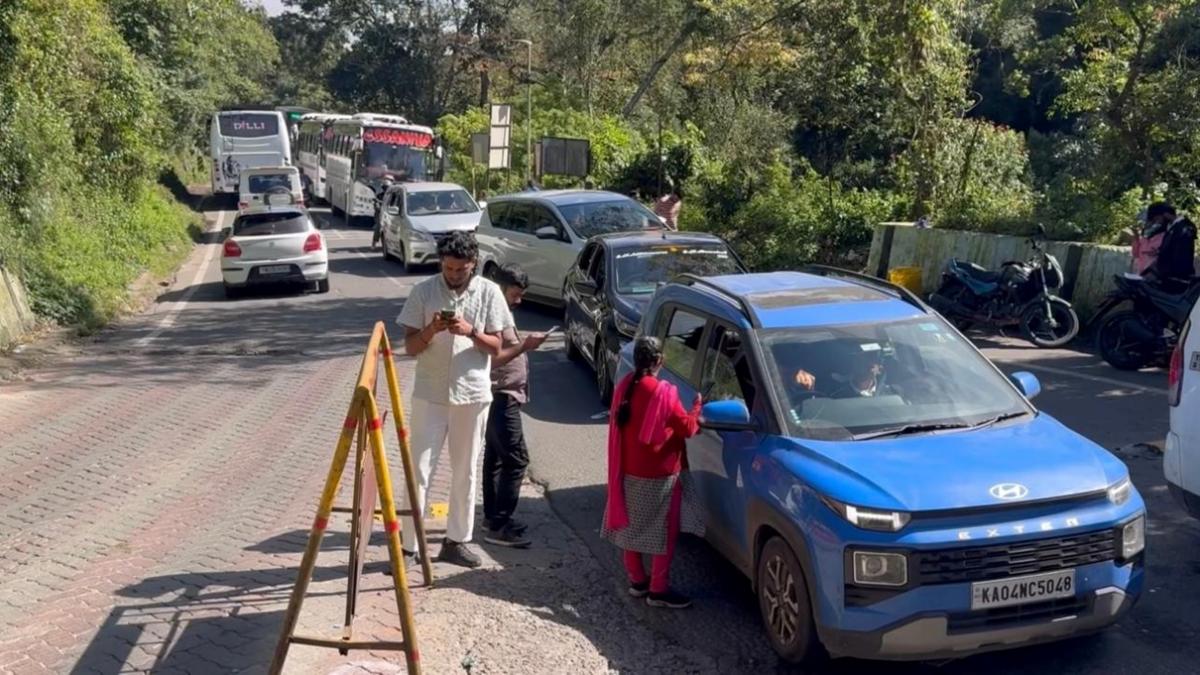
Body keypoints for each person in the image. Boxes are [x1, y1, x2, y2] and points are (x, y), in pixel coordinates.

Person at [397, 231, 510, 568]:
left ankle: (457, 540)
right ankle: (408, 546)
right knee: (418, 469)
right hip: (430, 393)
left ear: (473, 265)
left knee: (466, 471)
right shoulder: (424, 291)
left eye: (461, 270)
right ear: (441, 263)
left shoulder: (489, 292)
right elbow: (410, 347)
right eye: (448, 268)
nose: (454, 275)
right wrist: (431, 329)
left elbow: (498, 347)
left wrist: (471, 331)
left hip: (472, 394)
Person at [601, 336, 704, 609]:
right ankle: (658, 589)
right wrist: (697, 408)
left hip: (628, 470)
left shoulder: (625, 386)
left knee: (631, 527)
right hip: (660, 476)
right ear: (659, 360)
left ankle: (637, 580)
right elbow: (688, 428)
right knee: (664, 532)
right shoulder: (663, 392)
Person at [482, 263, 548, 548]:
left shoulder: (500, 312)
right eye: (515, 294)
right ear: (500, 288)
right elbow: (492, 359)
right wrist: (525, 346)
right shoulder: (490, 315)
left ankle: (493, 517)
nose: (519, 300)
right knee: (516, 460)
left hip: (505, 396)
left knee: (496, 458)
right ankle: (499, 525)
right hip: (500, 397)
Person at [794, 347, 890, 399]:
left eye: (871, 357)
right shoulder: (831, 392)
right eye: (860, 358)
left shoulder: (892, 394)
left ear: (880, 368)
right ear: (854, 361)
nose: (865, 362)